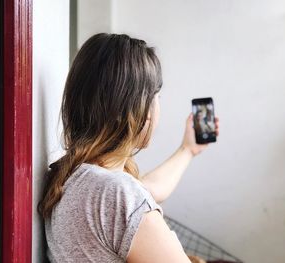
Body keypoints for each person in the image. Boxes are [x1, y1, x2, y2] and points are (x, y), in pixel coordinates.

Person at [38, 33, 219, 263]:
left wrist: (188, 149)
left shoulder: (78, 178)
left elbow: (149, 188)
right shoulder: (115, 194)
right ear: (137, 110)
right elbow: (131, 198)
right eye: (157, 97)